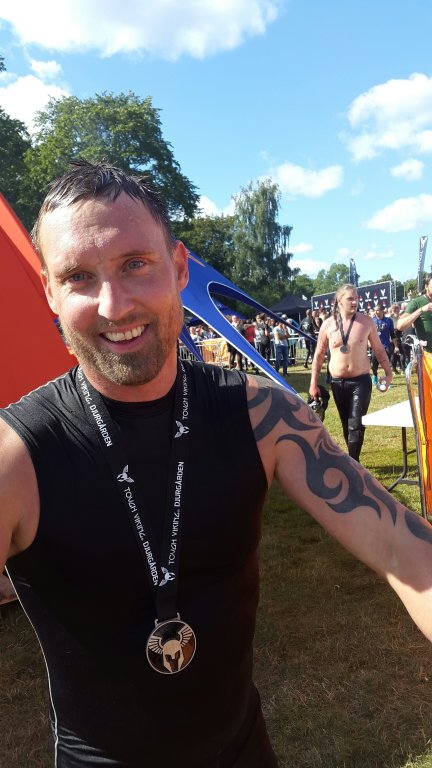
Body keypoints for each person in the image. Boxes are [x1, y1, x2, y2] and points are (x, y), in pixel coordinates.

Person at [2, 162, 432, 768]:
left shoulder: (261, 416)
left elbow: (405, 549)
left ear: (179, 268)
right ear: (49, 291)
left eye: (135, 264)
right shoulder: (18, 455)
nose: (113, 305)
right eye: (78, 277)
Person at [309, 284, 393, 462]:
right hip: (337, 383)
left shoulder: (366, 322)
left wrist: (388, 373)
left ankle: (353, 463)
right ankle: (353, 460)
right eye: (350, 299)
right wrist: (313, 384)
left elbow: (379, 349)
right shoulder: (328, 325)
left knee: (356, 423)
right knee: (347, 425)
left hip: (360, 381)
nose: (355, 302)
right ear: (339, 301)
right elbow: (319, 355)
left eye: (356, 298)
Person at [396, 273, 432, 352]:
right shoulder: (416, 303)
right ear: (426, 286)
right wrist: (421, 310)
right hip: (427, 355)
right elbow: (400, 326)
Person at [370, 303, 396, 383]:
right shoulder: (372, 320)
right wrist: (368, 342)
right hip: (375, 345)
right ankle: (375, 375)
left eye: (377, 310)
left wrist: (396, 346)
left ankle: (387, 378)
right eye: (374, 310)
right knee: (374, 364)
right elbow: (368, 333)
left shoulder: (389, 321)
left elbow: (392, 334)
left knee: (387, 364)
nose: (376, 312)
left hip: (386, 345)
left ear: (382, 311)